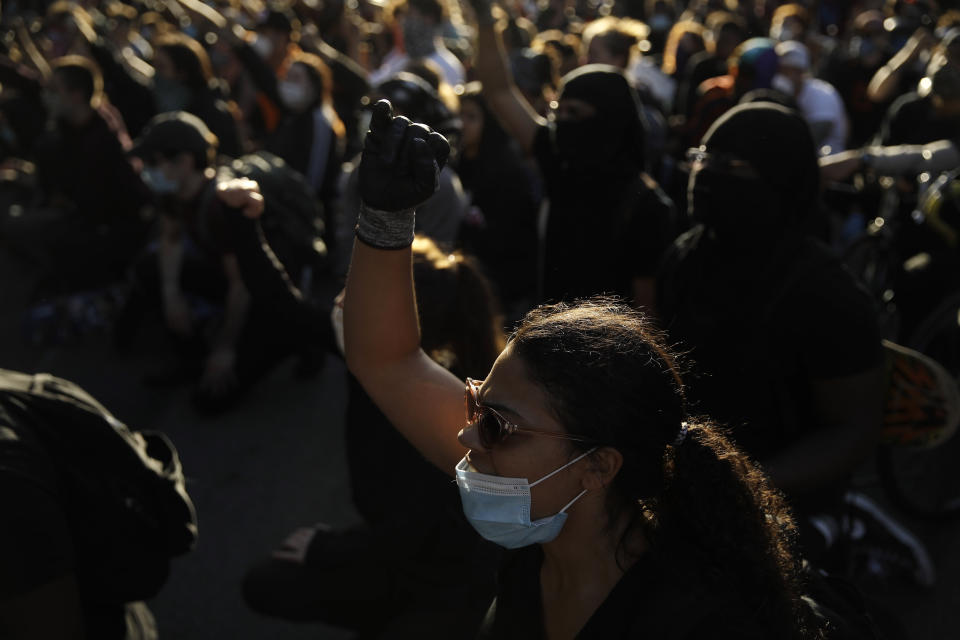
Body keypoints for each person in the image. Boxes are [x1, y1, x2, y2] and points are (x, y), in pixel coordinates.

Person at [342, 99, 824, 638]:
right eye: (477, 404)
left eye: (497, 424)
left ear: (599, 467)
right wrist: (385, 219)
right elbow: (388, 362)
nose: (465, 433)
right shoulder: (545, 496)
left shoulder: (695, 622)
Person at [657, 103, 885, 564]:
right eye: (703, 157)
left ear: (780, 182)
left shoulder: (823, 291)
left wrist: (749, 480)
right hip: (690, 492)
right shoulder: (688, 256)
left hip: (783, 506)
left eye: (732, 166)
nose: (705, 174)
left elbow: (852, 429)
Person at [243, 236, 502, 638]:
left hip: (445, 582)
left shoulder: (440, 412)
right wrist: (244, 223)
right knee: (265, 583)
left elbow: (415, 533)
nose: (341, 301)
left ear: (401, 327)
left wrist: (325, 548)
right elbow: (285, 308)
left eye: (358, 294)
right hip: (401, 551)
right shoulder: (375, 353)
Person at [471, 0, 677, 308]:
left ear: (609, 119)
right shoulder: (560, 163)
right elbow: (499, 91)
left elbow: (646, 315)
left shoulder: (646, 206)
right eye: (559, 112)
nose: (563, 123)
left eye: (575, 113)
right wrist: (485, 19)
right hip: (551, 339)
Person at [125, 111, 323, 414]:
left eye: (153, 162)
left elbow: (241, 284)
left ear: (185, 162)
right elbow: (171, 240)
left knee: (210, 401)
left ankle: (296, 337)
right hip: (231, 278)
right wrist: (171, 296)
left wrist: (225, 348)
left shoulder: (221, 205)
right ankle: (192, 359)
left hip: (264, 292)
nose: (146, 171)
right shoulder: (174, 193)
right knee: (148, 267)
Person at [774, 41, 849, 155]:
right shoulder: (778, 94)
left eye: (791, 70)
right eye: (782, 70)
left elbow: (815, 137)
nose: (785, 75)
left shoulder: (822, 93)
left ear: (802, 72)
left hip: (828, 158)